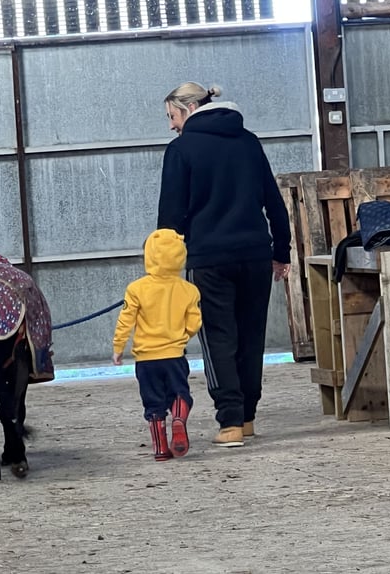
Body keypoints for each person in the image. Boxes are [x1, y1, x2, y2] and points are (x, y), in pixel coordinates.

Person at [157, 81, 291, 448]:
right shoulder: (248, 141)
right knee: (251, 336)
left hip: (209, 259)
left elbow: (170, 217)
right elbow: (273, 202)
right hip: (255, 255)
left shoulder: (181, 149)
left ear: (187, 110)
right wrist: (282, 251)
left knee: (219, 338)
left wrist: (163, 269)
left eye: (171, 116)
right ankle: (247, 418)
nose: (171, 125)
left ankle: (229, 421)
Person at [112, 229, 202, 461]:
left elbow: (126, 320)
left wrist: (118, 346)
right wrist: (181, 337)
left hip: (146, 358)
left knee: (153, 403)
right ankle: (179, 418)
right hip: (174, 355)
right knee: (180, 393)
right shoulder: (189, 290)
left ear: (149, 257)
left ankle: (161, 449)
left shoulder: (136, 289)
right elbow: (195, 322)